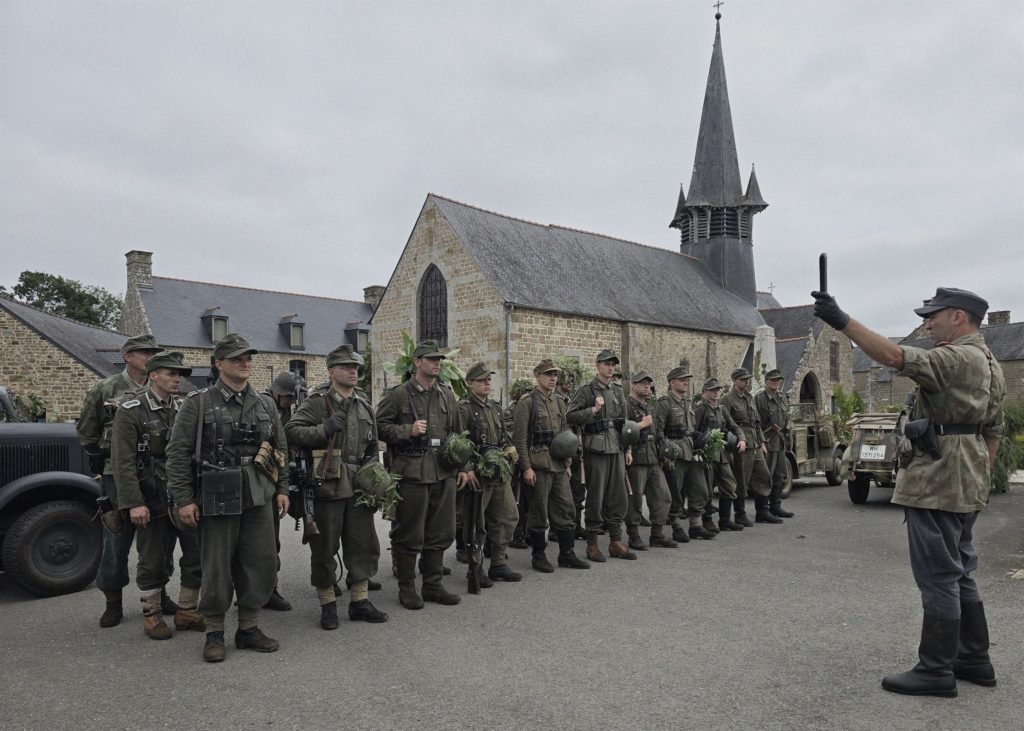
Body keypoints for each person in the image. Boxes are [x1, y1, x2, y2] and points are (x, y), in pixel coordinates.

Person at [813, 286, 1005, 697]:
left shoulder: (955, 357)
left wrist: (840, 320)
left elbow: (894, 357)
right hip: (966, 475)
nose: (927, 323)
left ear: (958, 316)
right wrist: (979, 477)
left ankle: (935, 670)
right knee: (960, 570)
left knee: (938, 575)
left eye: (934, 315)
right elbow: (994, 430)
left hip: (937, 478)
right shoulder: (990, 362)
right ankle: (974, 659)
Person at [166, 334, 290, 663]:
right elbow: (177, 454)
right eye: (237, 358)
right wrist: (184, 499)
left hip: (258, 493)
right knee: (216, 566)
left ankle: (248, 627)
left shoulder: (265, 404)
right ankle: (214, 632)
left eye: (248, 358)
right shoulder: (199, 403)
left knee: (259, 561)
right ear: (219, 363)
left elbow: (280, 449)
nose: (245, 363)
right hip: (216, 492)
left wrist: (282, 489)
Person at [285, 345, 387, 628]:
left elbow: (372, 447)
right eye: (346, 367)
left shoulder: (364, 404)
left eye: (355, 367)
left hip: (359, 486)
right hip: (327, 486)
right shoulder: (317, 402)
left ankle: (360, 600)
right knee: (324, 547)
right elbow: (291, 431)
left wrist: (375, 478)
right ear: (331, 371)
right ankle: (328, 603)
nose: (353, 371)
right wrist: (323, 430)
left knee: (363, 544)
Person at [109, 351, 203, 639]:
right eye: (171, 374)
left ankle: (187, 610)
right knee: (152, 559)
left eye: (179, 375)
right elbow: (122, 462)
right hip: (150, 494)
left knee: (196, 552)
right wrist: (134, 503)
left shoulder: (184, 407)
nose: (177, 379)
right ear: (154, 376)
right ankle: (152, 615)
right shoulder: (131, 410)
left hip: (182, 493)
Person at [77, 333, 165, 627]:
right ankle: (112, 602)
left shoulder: (160, 388)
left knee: (159, 540)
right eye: (145, 353)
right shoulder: (106, 389)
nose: (150, 357)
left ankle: (160, 594)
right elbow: (86, 433)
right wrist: (106, 459)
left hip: (155, 475)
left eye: (154, 353)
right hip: (115, 475)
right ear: (127, 356)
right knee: (116, 538)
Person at [376, 340, 467, 609]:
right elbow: (379, 426)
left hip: (443, 472)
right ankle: (407, 588)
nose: (437, 363)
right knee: (410, 533)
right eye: (431, 359)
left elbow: (458, 434)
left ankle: (433, 586)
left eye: (439, 359)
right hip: (412, 473)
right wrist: (408, 430)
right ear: (417, 362)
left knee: (441, 532)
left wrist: (464, 467)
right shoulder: (398, 395)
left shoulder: (447, 395)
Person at [512, 360, 589, 572]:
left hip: (558, 465)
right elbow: (519, 439)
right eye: (548, 374)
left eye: (555, 375)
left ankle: (567, 554)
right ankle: (538, 556)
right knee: (538, 512)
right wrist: (526, 467)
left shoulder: (560, 401)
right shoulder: (527, 402)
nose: (553, 378)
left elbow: (564, 435)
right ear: (537, 376)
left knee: (566, 508)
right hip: (537, 465)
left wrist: (567, 463)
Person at [567, 349, 636, 562]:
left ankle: (616, 541)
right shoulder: (586, 390)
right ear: (597, 366)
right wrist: (593, 411)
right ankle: (592, 544)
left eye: (613, 365)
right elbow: (570, 416)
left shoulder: (617, 390)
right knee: (595, 497)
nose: (610, 368)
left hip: (616, 448)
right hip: (596, 450)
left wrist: (628, 449)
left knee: (618, 496)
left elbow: (624, 423)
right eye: (607, 364)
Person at [457, 362, 522, 584]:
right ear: (470, 383)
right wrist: (467, 469)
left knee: (507, 516)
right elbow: (459, 442)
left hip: (499, 471)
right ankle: (475, 567)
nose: (487, 383)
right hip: (478, 473)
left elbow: (503, 436)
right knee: (477, 522)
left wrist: (509, 451)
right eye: (482, 380)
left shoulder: (495, 407)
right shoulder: (464, 408)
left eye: (489, 379)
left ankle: (498, 563)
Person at [624, 372, 675, 549]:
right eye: (642, 383)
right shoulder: (626, 405)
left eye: (648, 383)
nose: (646, 386)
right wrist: (640, 426)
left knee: (662, 495)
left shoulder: (648, 406)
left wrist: (663, 452)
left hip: (652, 457)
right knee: (635, 499)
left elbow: (656, 432)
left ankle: (657, 534)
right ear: (633, 385)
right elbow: (623, 431)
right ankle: (633, 535)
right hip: (636, 458)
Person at [652, 368, 702, 542]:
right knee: (675, 491)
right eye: (682, 379)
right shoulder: (664, 403)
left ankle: (696, 525)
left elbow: (691, 426)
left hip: (689, 449)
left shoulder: (687, 401)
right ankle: (676, 525)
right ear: (672, 382)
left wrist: (697, 437)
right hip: (674, 452)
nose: (685, 382)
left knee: (698, 488)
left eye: (686, 379)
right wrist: (665, 452)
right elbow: (658, 431)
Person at [261, 370, 297, 612]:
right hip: (263, 479)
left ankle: (269, 588)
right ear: (277, 393)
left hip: (277, 479)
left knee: (271, 542)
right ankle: (259, 590)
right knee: (263, 542)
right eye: (288, 397)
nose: (290, 402)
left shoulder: (285, 412)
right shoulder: (264, 406)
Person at [720, 368, 774, 527]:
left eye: (747, 379)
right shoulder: (727, 399)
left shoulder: (750, 397)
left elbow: (756, 422)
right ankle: (740, 514)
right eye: (743, 379)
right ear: (734, 380)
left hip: (755, 442)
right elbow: (725, 424)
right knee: (741, 479)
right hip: (741, 445)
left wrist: (762, 442)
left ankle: (762, 512)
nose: (746, 382)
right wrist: (735, 441)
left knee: (763, 475)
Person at [693, 379, 745, 533]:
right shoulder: (700, 409)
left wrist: (742, 439)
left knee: (730, 485)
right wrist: (703, 440)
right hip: (706, 455)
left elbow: (734, 426)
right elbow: (692, 430)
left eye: (718, 389)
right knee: (707, 489)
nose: (716, 392)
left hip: (721, 454)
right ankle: (707, 520)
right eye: (712, 389)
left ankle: (725, 521)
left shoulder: (722, 409)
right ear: (704, 392)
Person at [754, 369, 794, 521]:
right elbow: (755, 422)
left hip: (779, 442)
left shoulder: (782, 397)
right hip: (767, 442)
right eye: (773, 380)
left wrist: (789, 439)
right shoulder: (760, 398)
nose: (776, 382)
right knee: (765, 477)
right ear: (766, 381)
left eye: (778, 380)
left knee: (780, 476)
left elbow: (787, 419)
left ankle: (775, 507)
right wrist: (760, 442)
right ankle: (762, 511)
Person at [556, 370, 587, 540]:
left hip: (576, 449)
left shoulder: (573, 400)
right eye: (567, 380)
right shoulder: (555, 400)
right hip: (561, 450)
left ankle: (576, 524)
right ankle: (557, 528)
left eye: (572, 380)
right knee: (561, 494)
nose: (570, 383)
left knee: (578, 489)